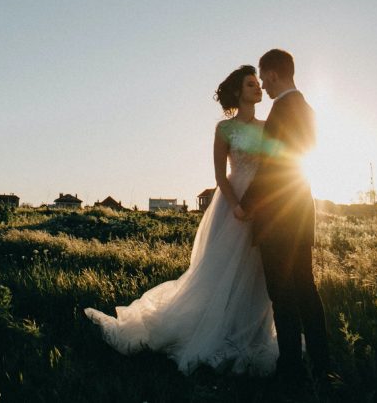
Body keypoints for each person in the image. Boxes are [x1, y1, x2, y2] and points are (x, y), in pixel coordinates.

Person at [83, 65, 277, 375]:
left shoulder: (270, 126)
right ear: (239, 92)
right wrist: (236, 206)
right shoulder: (224, 129)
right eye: (251, 84)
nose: (258, 88)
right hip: (233, 207)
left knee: (257, 273)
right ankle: (214, 331)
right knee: (221, 272)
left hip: (263, 202)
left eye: (258, 83)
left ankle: (252, 333)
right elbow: (219, 176)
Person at [237, 49, 330, 382]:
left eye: (263, 78)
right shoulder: (307, 109)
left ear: (273, 74)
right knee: (306, 289)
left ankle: (290, 368)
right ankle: (322, 365)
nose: (264, 85)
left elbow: (271, 167)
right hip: (302, 212)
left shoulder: (280, 110)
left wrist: (245, 205)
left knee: (282, 295)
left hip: (278, 218)